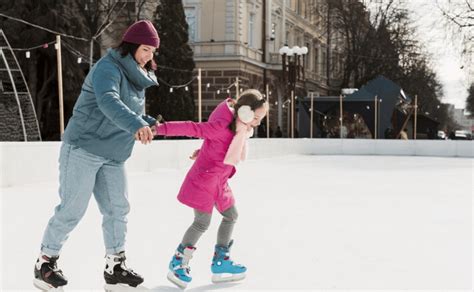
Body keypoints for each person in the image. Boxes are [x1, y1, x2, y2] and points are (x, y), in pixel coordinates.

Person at [33, 20, 160, 290]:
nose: (149, 56)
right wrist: (136, 124)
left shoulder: (138, 76)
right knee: (72, 209)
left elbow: (130, 112)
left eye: (152, 51)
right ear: (132, 45)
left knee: (118, 208)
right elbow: (108, 101)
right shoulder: (108, 68)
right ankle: (45, 262)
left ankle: (115, 267)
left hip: (114, 153)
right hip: (84, 147)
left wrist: (147, 121)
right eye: (146, 49)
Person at [154, 89, 267, 289]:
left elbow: (218, 147)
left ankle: (220, 261)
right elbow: (191, 128)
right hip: (204, 181)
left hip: (219, 181)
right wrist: (159, 129)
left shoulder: (239, 130)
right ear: (245, 113)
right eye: (256, 118)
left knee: (231, 215)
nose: (258, 123)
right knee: (201, 222)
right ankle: (179, 262)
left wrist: (205, 151)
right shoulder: (222, 127)